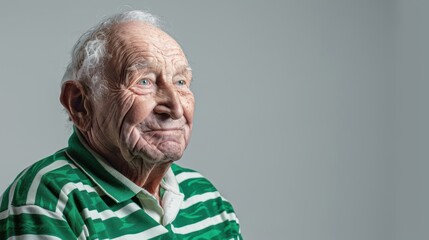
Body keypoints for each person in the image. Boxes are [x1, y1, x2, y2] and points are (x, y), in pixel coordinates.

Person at [0, 10, 241, 239]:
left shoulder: (204, 196)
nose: (176, 108)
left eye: (180, 81)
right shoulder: (49, 198)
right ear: (80, 105)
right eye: (144, 81)